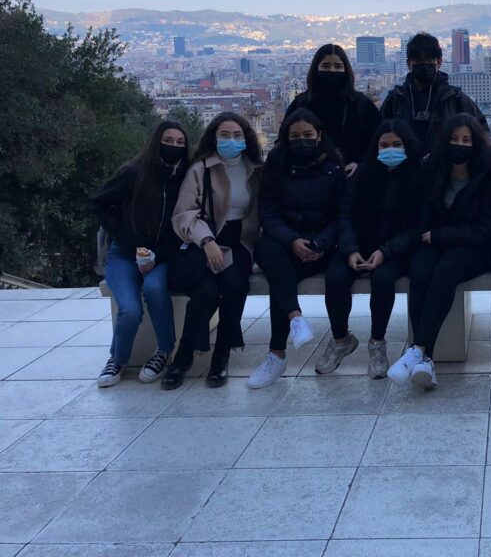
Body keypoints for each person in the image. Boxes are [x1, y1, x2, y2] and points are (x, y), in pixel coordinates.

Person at [387, 114, 491, 390]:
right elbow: (421, 213)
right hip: (433, 241)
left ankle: (418, 348)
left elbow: (489, 228)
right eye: (454, 139)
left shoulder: (488, 174)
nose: (459, 145)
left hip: (474, 246)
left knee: (448, 268)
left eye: (466, 140)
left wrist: (441, 235)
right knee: (420, 270)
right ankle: (425, 361)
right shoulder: (432, 170)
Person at [246, 110, 349, 389]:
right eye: (295, 136)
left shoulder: (333, 168)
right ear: (285, 138)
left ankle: (277, 353)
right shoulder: (276, 166)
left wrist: (321, 243)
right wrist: (292, 240)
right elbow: (268, 213)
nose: (301, 141)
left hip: (323, 246)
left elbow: (341, 215)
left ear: (319, 136)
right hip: (286, 244)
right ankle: (295, 319)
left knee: (281, 279)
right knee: (269, 253)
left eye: (307, 135)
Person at [162, 112, 262, 390]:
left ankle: (221, 356)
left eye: (237, 135)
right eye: (225, 135)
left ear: (246, 138)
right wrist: (207, 241)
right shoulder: (201, 169)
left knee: (234, 285)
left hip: (240, 240)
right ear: (214, 138)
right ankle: (183, 357)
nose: (232, 140)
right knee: (205, 292)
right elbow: (184, 213)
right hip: (204, 239)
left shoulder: (255, 170)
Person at [91, 121, 190, 387]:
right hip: (124, 252)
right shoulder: (133, 172)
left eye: (180, 142)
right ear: (156, 141)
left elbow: (184, 224)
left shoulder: (185, 178)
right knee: (129, 308)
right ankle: (117, 359)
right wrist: (124, 234)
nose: (174, 146)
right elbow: (100, 203)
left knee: (155, 291)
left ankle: (164, 351)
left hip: (162, 254)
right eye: (168, 140)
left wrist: (156, 255)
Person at [330, 120, 424, 379]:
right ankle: (340, 339)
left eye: (397, 144)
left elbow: (417, 226)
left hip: (395, 250)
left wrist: (385, 251)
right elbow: (346, 215)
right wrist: (351, 249)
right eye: (384, 145)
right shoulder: (362, 174)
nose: (390, 150)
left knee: (383, 279)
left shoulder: (417, 176)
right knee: (336, 278)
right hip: (358, 245)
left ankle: (377, 342)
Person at [282, 43, 381, 177]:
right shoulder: (301, 104)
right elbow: (284, 142)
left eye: (338, 66)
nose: (332, 70)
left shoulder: (360, 104)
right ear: (316, 69)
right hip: (309, 178)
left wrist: (360, 164)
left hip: (351, 177)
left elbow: (378, 141)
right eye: (326, 66)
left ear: (346, 70)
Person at [379, 32, 487, 151]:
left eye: (429, 60)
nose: (424, 65)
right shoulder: (395, 100)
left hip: (445, 163)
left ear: (439, 62)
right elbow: (377, 138)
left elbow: (482, 133)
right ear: (409, 63)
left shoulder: (455, 99)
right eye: (418, 61)